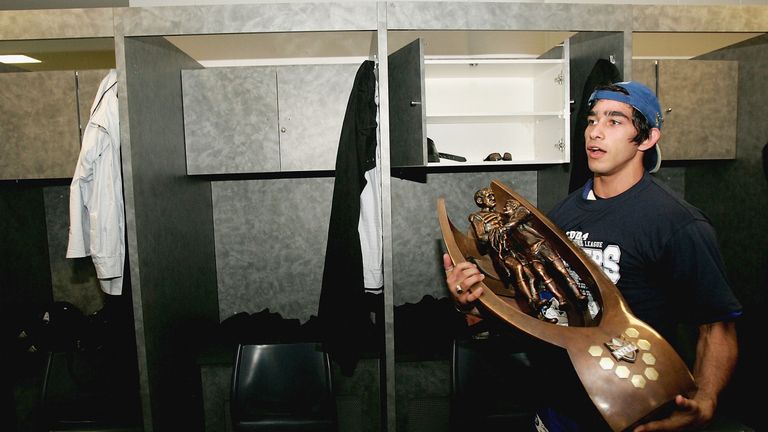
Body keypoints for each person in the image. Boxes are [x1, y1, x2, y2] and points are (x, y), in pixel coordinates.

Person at [444, 81, 742, 432]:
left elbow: (717, 326)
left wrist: (705, 399)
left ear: (646, 139)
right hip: (556, 409)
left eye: (614, 121)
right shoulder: (561, 216)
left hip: (634, 414)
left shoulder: (678, 223)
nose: (595, 132)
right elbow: (538, 309)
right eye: (591, 120)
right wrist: (473, 304)